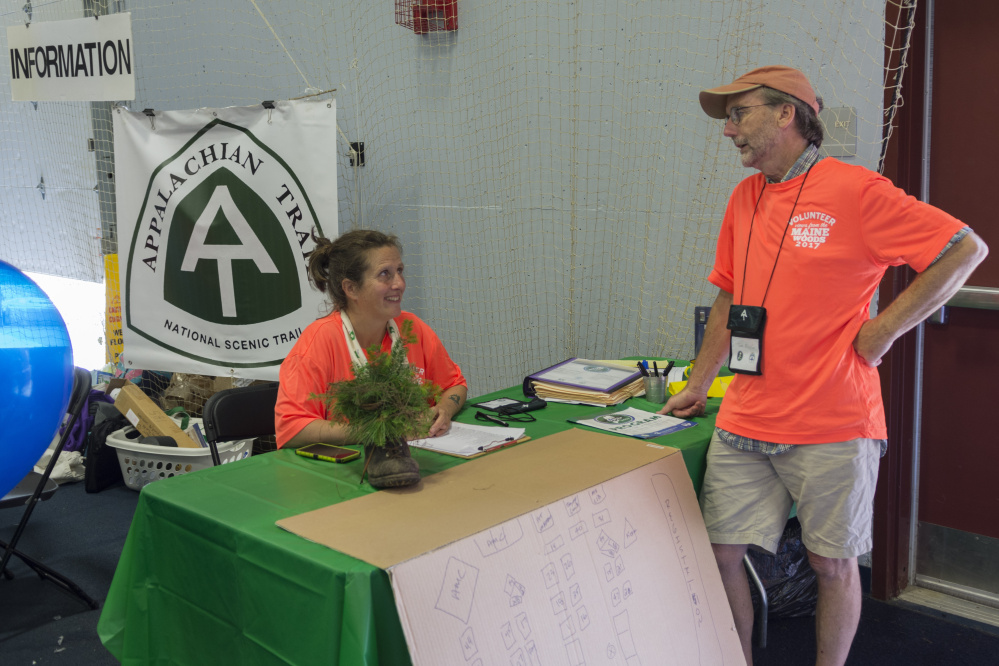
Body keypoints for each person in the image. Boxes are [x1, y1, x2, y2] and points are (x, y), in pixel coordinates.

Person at [660, 66, 988, 666]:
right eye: (726, 118)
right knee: (719, 553)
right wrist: (701, 380)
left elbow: (964, 248)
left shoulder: (856, 190)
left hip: (833, 421)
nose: (728, 130)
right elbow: (730, 297)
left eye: (740, 114)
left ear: (787, 114)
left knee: (831, 564)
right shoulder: (744, 197)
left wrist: (882, 331)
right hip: (747, 416)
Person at [275, 229, 468, 489]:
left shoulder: (412, 328)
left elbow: (455, 384)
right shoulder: (318, 343)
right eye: (384, 274)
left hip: (420, 467)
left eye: (399, 270)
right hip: (338, 483)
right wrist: (379, 432)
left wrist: (445, 409)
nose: (399, 283)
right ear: (351, 288)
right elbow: (292, 428)